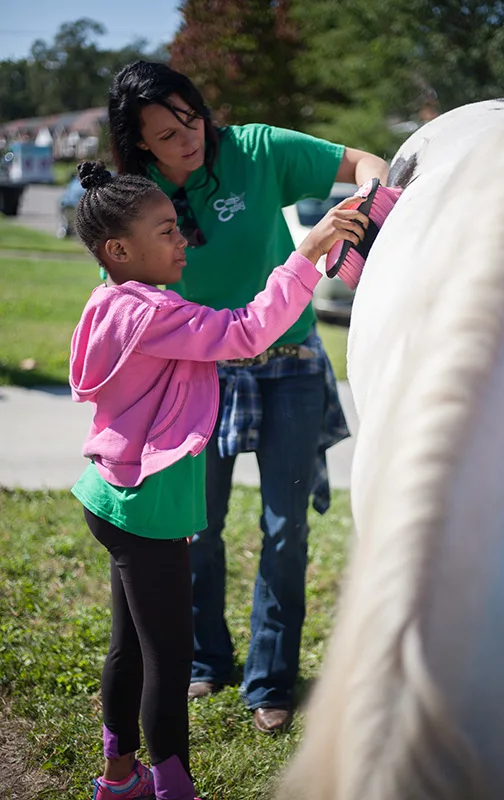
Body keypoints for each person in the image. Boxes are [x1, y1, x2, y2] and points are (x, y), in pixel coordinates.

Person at [69, 160, 367, 800]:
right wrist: (305, 254)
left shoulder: (111, 299)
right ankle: (174, 790)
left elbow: (129, 268)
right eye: (168, 230)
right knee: (169, 660)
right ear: (120, 250)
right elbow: (245, 334)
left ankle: (118, 778)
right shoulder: (151, 315)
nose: (185, 240)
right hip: (150, 507)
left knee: (129, 647)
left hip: (114, 496)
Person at [107, 60, 390, 733]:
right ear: (139, 142)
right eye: (167, 132)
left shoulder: (256, 150)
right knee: (196, 530)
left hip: (288, 364)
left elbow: (368, 163)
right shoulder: (134, 194)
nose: (188, 136)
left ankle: (270, 679)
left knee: (285, 530)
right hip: (196, 375)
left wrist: (363, 215)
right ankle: (208, 659)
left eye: (190, 117)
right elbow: (128, 298)